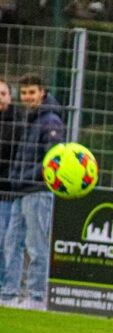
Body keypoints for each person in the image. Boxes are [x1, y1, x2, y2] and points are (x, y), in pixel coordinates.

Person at [1, 73, 64, 308]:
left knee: (36, 246)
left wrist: (24, 177)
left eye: (32, 92)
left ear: (42, 92)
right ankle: (9, 294)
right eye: (24, 93)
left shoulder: (51, 121)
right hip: (21, 190)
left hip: (37, 190)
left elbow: (53, 160)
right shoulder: (32, 119)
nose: (27, 97)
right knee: (12, 243)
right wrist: (16, 179)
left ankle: (36, 297)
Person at [0, 78, 19, 290]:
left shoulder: (16, 122)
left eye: (3, 93)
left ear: (10, 97)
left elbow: (7, 155)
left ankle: (6, 288)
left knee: (5, 242)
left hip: (5, 191)